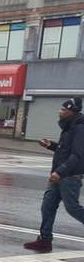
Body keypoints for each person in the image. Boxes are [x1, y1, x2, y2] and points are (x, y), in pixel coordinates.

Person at [23, 97, 84, 252]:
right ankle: (45, 240)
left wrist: (59, 171)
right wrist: (50, 145)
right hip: (58, 175)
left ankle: (45, 239)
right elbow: (64, 150)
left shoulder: (79, 128)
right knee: (47, 206)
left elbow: (77, 155)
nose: (59, 111)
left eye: (63, 109)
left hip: (69, 176)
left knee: (72, 208)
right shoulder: (68, 127)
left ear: (71, 111)